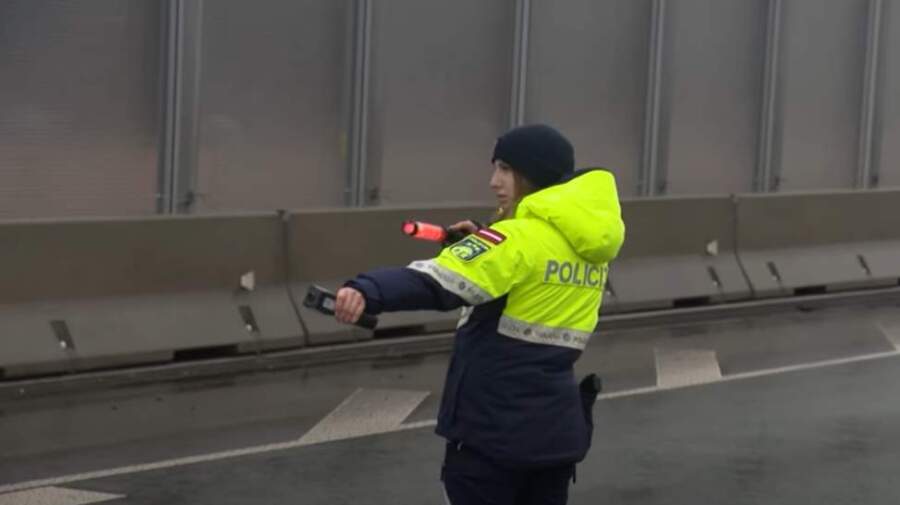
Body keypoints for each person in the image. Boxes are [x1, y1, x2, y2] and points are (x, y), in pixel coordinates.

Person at [334, 124, 625, 505]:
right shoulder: (589, 251)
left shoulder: (517, 240)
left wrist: (367, 290)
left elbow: (436, 283)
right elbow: (529, 281)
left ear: (532, 173)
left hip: (494, 434)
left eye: (505, 168)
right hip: (555, 433)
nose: (494, 181)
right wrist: (486, 237)